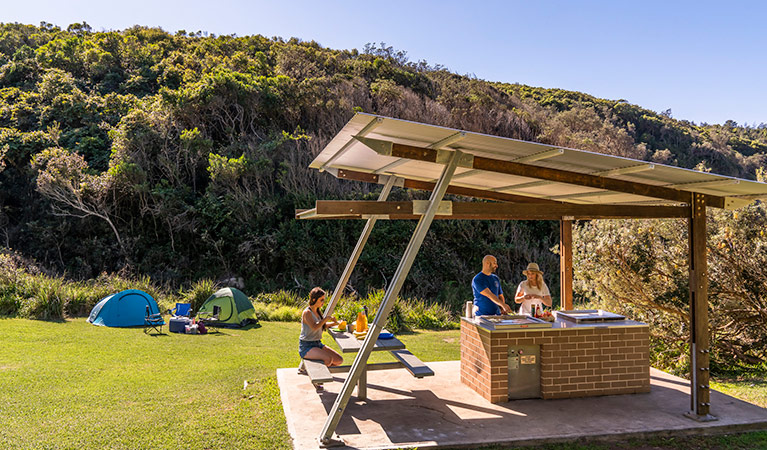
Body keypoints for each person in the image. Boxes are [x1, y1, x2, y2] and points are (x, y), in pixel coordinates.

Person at [299, 287, 343, 390]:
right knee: (328, 359)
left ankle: (309, 367)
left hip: (317, 344)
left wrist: (334, 323)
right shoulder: (307, 313)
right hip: (307, 346)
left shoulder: (317, 311)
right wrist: (326, 319)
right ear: (314, 300)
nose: (323, 302)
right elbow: (314, 326)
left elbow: (321, 326)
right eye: (321, 300)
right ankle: (317, 379)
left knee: (339, 360)